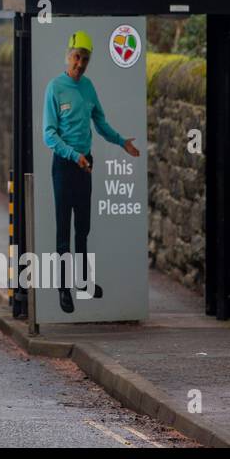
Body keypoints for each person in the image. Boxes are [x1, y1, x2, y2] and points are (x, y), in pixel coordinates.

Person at [42, 30, 140, 314]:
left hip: (86, 165)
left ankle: (83, 282)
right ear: (67, 56)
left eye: (85, 59)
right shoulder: (55, 88)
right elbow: (49, 134)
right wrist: (74, 155)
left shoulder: (88, 87)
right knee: (64, 229)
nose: (80, 63)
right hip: (65, 165)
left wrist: (122, 142)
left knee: (82, 228)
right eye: (76, 57)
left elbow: (100, 122)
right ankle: (63, 288)